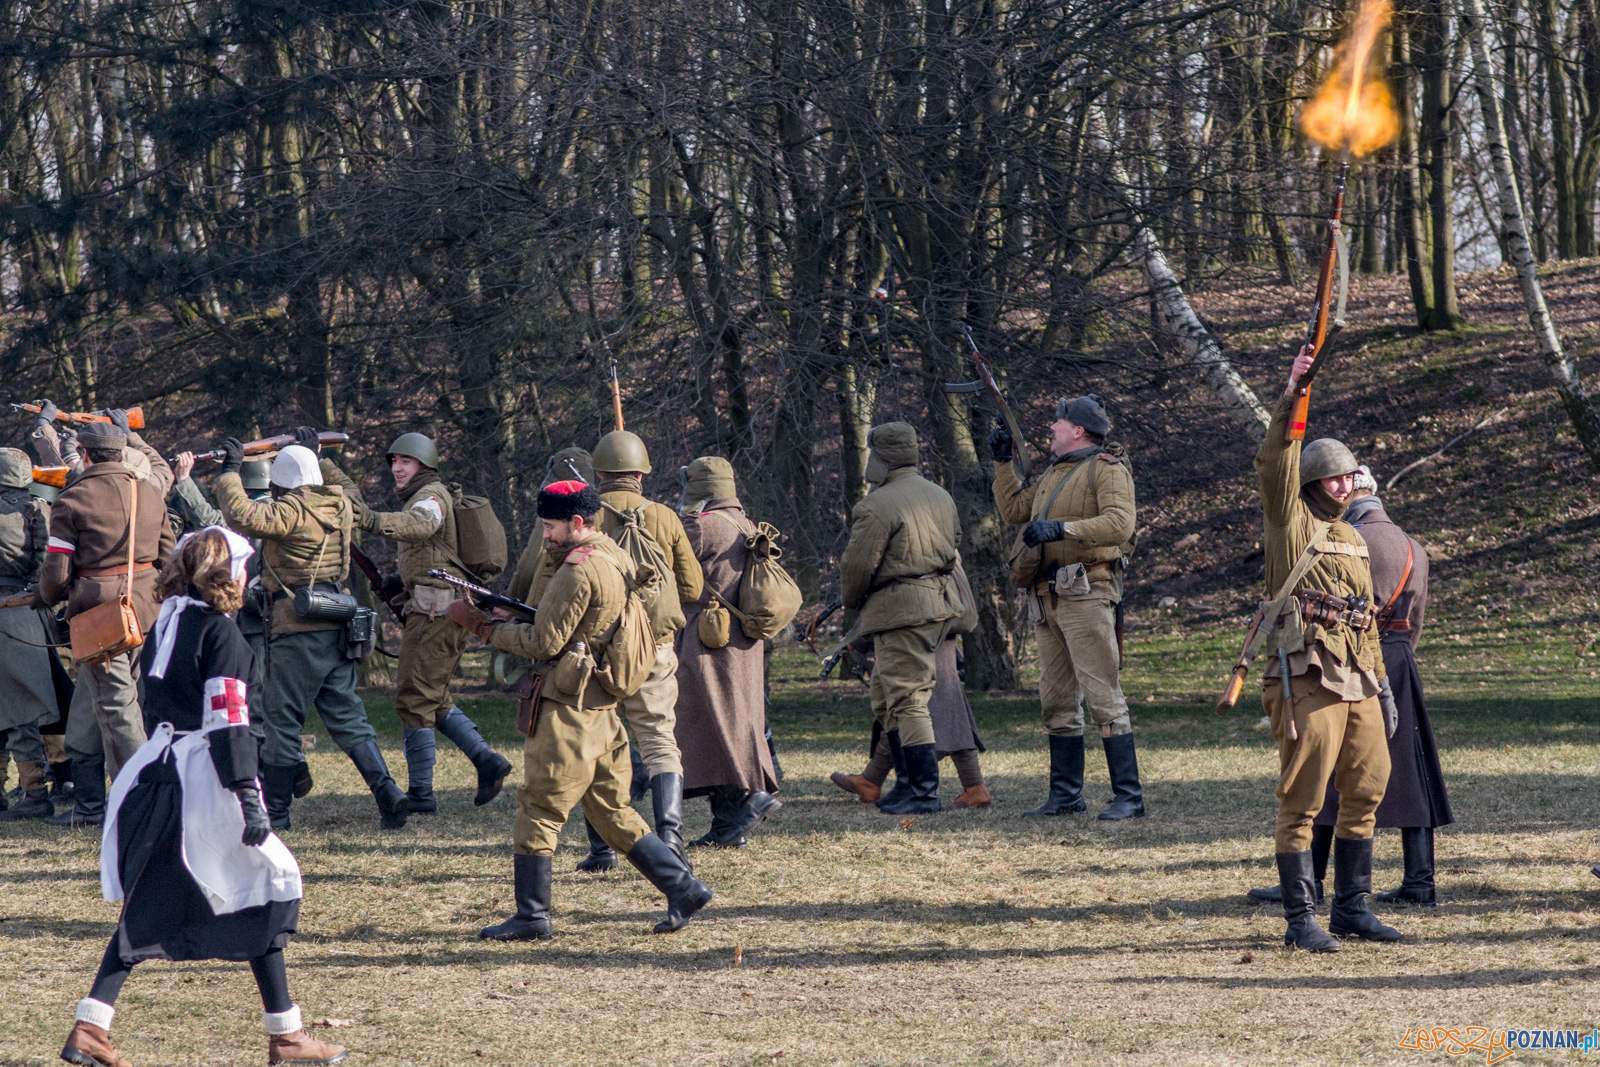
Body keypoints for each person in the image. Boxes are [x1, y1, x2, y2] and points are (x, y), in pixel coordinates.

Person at [58, 527, 345, 1067]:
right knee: (270, 882)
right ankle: (284, 1037)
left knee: (234, 889)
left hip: (162, 768)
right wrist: (247, 792)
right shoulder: (221, 634)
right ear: (227, 572)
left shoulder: (172, 620)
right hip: (204, 779)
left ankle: (95, 1026)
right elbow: (229, 723)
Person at [451, 479, 712, 940]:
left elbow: (543, 642)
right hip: (600, 709)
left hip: (569, 712)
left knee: (539, 807)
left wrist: (481, 626)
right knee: (612, 811)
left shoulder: (577, 569)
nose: (545, 536)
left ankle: (532, 917)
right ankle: (683, 887)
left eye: (551, 527)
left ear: (577, 522)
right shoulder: (610, 552)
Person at [1251, 345, 1401, 952]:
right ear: (1313, 481)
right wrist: (1293, 392)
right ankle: (1299, 919)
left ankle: (1352, 908)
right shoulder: (1291, 522)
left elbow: (1365, 621)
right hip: (1307, 674)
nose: (1346, 484)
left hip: (1361, 676)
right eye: (1335, 477)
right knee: (1304, 797)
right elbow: (1272, 462)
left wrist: (1384, 685)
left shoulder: (1352, 535)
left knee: (1368, 785)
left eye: (1350, 476)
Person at [1246, 465, 1450, 908]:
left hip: (1347, 659)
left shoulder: (1350, 540)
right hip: (1396, 657)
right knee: (1407, 778)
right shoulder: (1413, 546)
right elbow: (1415, 621)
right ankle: (1418, 879)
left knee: (1337, 780)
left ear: (1355, 492)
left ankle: (1314, 884)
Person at [214, 433, 408, 831]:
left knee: (281, 721)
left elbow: (241, 515)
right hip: (336, 624)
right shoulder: (341, 504)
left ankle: (279, 814)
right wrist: (323, 457)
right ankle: (388, 793)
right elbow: (350, 488)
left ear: (280, 482)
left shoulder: (290, 511)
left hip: (294, 628)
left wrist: (230, 471)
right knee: (348, 716)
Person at [330, 433, 511, 814]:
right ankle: (487, 761)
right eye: (394, 460)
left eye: (406, 462)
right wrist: (322, 462)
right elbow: (427, 550)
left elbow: (419, 526)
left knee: (414, 700)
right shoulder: (422, 493)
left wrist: (371, 520)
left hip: (437, 613)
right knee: (431, 696)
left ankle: (422, 797)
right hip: (431, 607)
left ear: (424, 466)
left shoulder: (431, 496)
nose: (397, 467)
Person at [989, 396, 1142, 820]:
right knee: (1055, 699)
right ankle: (1065, 796)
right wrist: (1003, 464)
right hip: (1046, 597)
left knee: (1101, 695)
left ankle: (1129, 796)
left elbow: (1119, 523)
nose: (1050, 428)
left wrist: (1063, 527)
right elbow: (1015, 511)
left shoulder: (1107, 469)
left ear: (1077, 429)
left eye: (1057, 423)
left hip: (1087, 590)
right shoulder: (1053, 474)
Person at [39, 418, 175, 828]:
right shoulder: (150, 491)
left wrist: (44, 598)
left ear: (84, 454)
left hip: (101, 619)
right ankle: (91, 807)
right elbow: (168, 556)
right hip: (148, 611)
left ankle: (144, 802)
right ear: (120, 452)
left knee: (117, 708)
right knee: (100, 704)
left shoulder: (73, 499)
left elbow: (57, 574)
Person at [581, 430, 704, 862]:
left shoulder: (584, 515)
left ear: (597, 473)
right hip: (655, 643)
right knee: (657, 739)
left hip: (597, 648)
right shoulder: (665, 516)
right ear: (640, 474)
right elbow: (691, 587)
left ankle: (602, 848)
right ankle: (670, 838)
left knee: (594, 740)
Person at [837, 422, 964, 815]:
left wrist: (852, 603)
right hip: (936, 604)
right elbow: (954, 541)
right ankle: (907, 786)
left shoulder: (877, 505)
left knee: (907, 700)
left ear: (881, 458)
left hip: (900, 611)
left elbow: (857, 566)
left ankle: (924, 793)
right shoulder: (940, 495)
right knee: (887, 698)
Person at [671, 457, 782, 849]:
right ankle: (728, 824)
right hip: (742, 642)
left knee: (716, 724)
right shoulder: (745, 523)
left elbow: (669, 569)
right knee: (728, 723)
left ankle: (751, 801)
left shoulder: (700, 526)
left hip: (708, 640)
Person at [830, 635, 989, 809]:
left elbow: (884, 612)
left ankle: (872, 781)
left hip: (919, 643)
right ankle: (974, 787)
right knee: (948, 715)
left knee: (908, 714)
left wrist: (857, 638)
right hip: (934, 640)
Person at [0, 447, 62, 821]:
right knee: (23, 704)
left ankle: (35, 794)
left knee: (14, 706)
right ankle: (35, 789)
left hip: (6, 612)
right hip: (30, 610)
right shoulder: (43, 509)